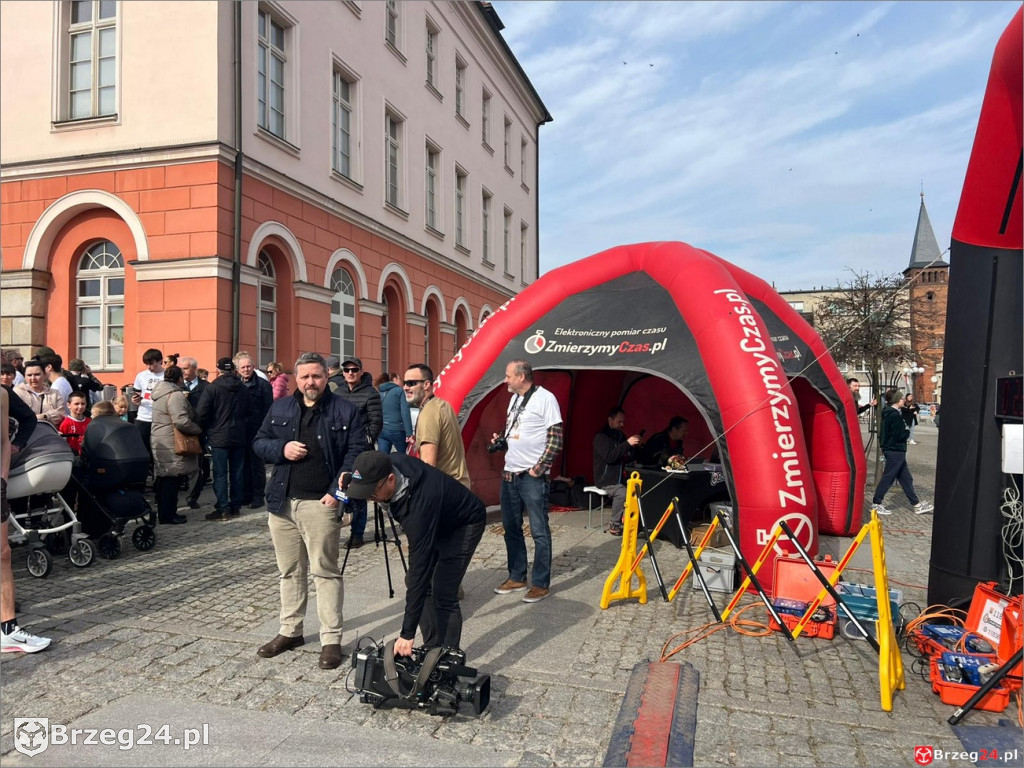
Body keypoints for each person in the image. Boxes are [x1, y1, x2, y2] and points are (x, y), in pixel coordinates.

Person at [252, 352, 366, 671]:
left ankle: (330, 638)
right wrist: (281, 449)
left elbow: (357, 454)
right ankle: (291, 631)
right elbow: (259, 442)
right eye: (304, 377)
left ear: (326, 377)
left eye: (315, 376)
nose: (310, 382)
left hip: (321, 503)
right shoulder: (281, 407)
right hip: (282, 503)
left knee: (325, 571)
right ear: (296, 379)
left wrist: (338, 492)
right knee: (289, 571)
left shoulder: (345, 409)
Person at [343, 451, 485, 656]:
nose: (370, 499)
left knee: (443, 590)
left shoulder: (420, 505)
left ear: (390, 479)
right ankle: (433, 647)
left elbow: (420, 568)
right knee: (418, 583)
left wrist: (407, 633)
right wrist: (352, 481)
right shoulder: (386, 465)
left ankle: (449, 656)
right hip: (436, 518)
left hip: (464, 523)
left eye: (372, 493)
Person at [490, 360, 563, 604]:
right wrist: (502, 438)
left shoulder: (546, 399)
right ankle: (517, 576)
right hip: (510, 472)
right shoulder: (515, 399)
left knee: (539, 531)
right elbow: (517, 430)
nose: (505, 380)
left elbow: (555, 438)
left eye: (508, 376)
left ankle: (541, 584)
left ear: (521, 376)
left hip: (531, 476)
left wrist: (539, 469)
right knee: (511, 527)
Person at [1, 387, 52, 654]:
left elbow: (27, 421)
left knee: (3, 554)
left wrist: (5, 471)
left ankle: (7, 630)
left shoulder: (3, 393)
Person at [330, 356, 383, 549]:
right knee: (340, 488)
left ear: (361, 371)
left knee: (359, 492)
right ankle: (337, 524)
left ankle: (357, 534)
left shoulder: (371, 393)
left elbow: (376, 423)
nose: (350, 373)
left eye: (354, 370)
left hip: (361, 451)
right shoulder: (338, 392)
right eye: (347, 370)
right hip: (339, 450)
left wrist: (363, 439)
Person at [196, 357, 252, 521]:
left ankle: (223, 509)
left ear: (218, 370)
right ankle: (235, 507)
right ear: (234, 370)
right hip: (239, 435)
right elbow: (250, 412)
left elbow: (201, 413)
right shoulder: (243, 388)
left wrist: (205, 430)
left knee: (220, 474)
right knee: (237, 473)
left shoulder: (212, 388)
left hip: (218, 436)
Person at [151, 366, 203, 525]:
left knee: (164, 477)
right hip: (171, 440)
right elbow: (181, 421)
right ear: (179, 378)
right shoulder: (175, 395)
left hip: (160, 439)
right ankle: (168, 515)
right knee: (171, 479)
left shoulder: (160, 393)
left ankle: (164, 512)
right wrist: (198, 430)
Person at [870, 390, 934, 516]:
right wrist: (906, 431)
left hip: (894, 450)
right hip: (895, 450)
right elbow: (900, 434)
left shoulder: (890, 413)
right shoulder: (894, 415)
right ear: (896, 400)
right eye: (901, 399)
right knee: (888, 476)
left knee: (906, 478)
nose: (903, 400)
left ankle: (916, 504)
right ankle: (876, 504)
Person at [404, 364, 469, 487]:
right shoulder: (442, 405)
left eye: (411, 383)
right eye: (404, 383)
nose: (405, 387)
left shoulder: (429, 414)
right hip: (458, 485)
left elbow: (428, 465)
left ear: (427, 385)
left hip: (445, 489)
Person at [593, 407, 642, 536]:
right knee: (622, 493)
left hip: (620, 476)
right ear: (610, 420)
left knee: (638, 487)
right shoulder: (601, 437)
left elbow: (625, 452)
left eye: (623, 422)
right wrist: (627, 443)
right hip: (605, 479)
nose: (622, 425)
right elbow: (610, 457)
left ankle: (634, 522)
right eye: (619, 422)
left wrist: (635, 447)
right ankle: (614, 524)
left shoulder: (620, 436)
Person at [235, 352, 273, 509]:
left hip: (257, 430)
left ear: (254, 366)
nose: (246, 369)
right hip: (239, 430)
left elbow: (269, 409)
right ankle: (245, 494)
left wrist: (266, 431)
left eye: (248, 366)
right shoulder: (235, 384)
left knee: (257, 464)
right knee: (242, 464)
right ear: (237, 369)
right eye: (243, 367)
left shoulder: (263, 385)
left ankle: (258, 496)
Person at [180, 357, 209, 509]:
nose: (182, 371)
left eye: (185, 368)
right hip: (180, 430)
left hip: (198, 430)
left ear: (194, 369)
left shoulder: (205, 387)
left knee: (197, 465)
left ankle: (193, 497)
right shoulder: (177, 386)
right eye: (181, 368)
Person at [131, 348, 165, 461]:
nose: (149, 367)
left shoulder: (167, 375)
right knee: (142, 448)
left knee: (159, 449)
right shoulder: (141, 376)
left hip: (161, 418)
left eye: (152, 364)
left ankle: (159, 474)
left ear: (160, 361)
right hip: (143, 416)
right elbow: (137, 393)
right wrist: (135, 400)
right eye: (147, 365)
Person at [14, 359, 65, 427]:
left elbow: (61, 414)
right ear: (25, 376)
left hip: (49, 433)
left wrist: (44, 416)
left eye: (37, 374)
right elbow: (18, 415)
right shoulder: (18, 392)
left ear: (44, 374)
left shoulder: (54, 393)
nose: (33, 378)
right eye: (29, 375)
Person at [376, 372, 412, 455]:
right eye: (400, 379)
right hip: (397, 429)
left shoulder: (379, 392)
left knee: (382, 458)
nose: (402, 381)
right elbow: (405, 412)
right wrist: (409, 433)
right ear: (395, 379)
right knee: (405, 457)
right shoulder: (399, 391)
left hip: (382, 430)